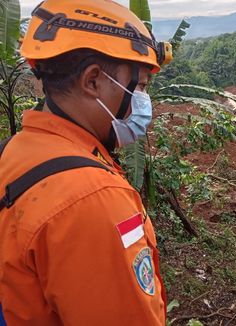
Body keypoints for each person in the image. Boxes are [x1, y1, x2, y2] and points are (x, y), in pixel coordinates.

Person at [0, 1, 171, 324]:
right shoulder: (94, 199)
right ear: (93, 81)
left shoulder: (16, 151)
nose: (144, 103)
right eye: (141, 87)